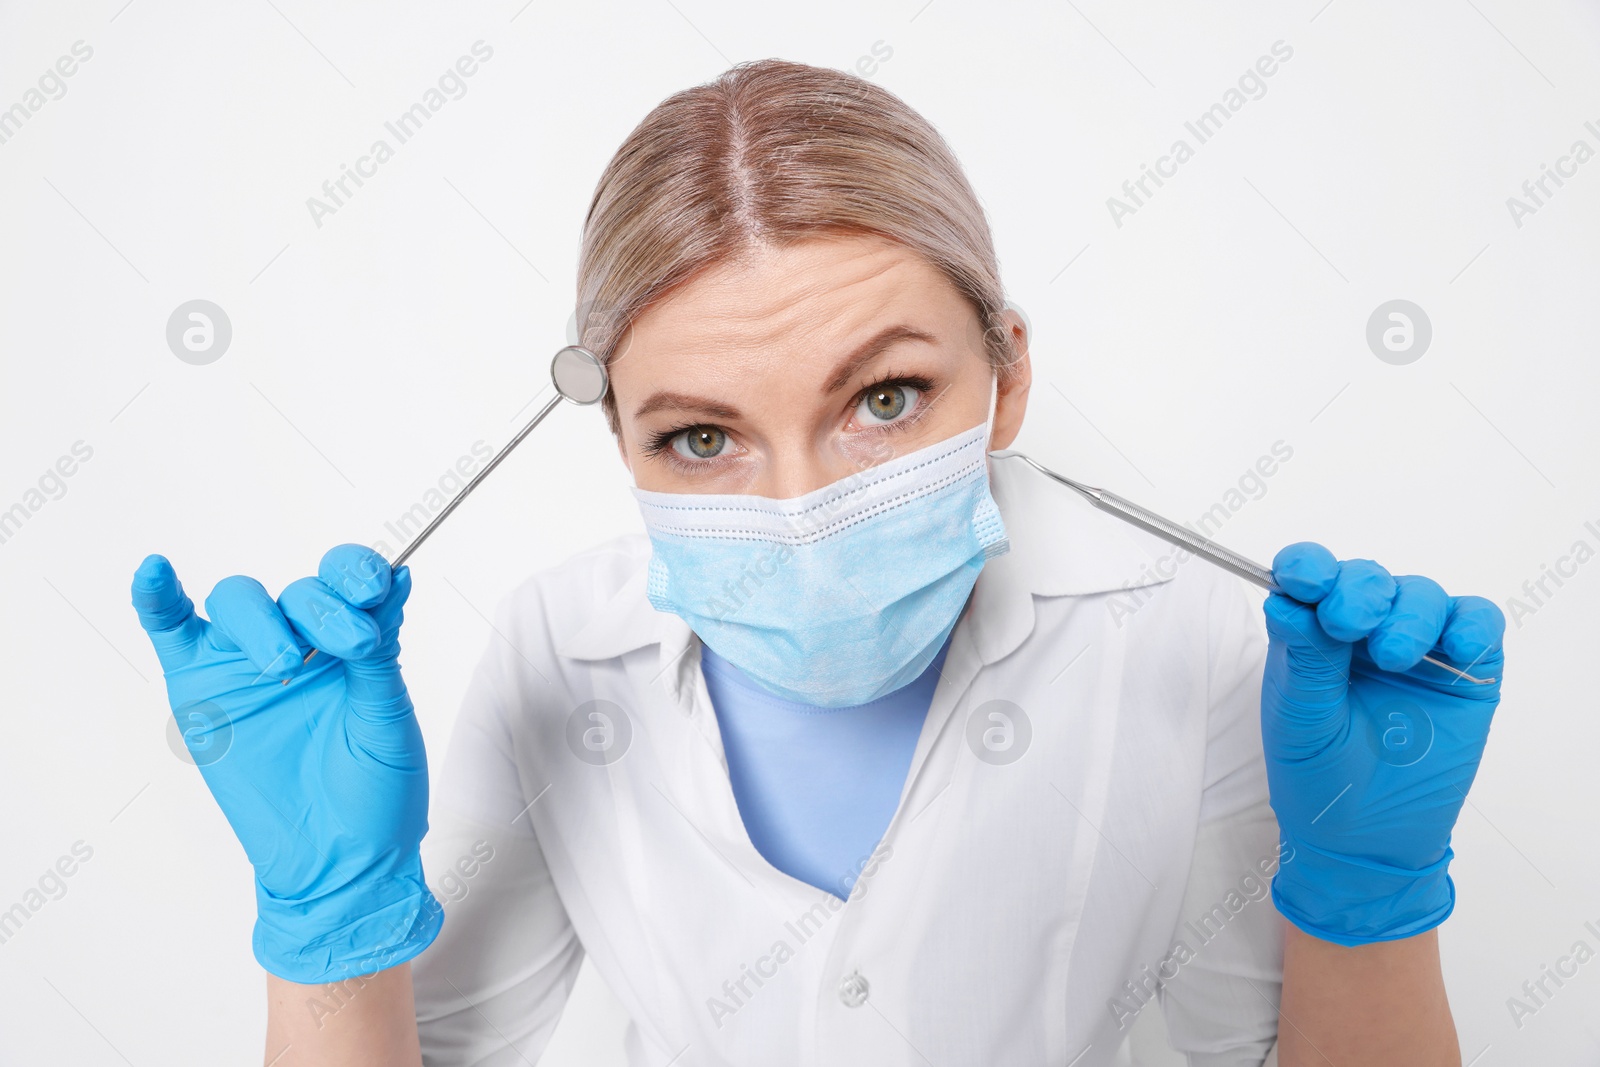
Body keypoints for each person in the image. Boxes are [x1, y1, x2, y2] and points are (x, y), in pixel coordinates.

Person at [129, 59, 1504, 1066]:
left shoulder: (1194, 644)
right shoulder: (560, 652)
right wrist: (328, 930)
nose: (802, 509)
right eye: (702, 436)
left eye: (885, 399)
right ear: (618, 437)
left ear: (1007, 379)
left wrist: (1367, 902)